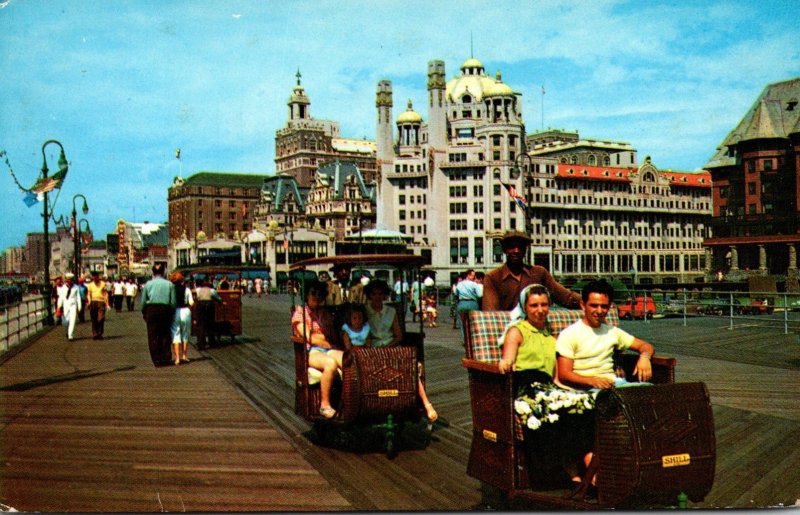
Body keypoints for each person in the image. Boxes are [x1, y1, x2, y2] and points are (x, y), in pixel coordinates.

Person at [555, 279, 656, 495]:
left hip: (613, 385)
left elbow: (644, 345)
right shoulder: (570, 334)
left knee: (652, 395)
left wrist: (645, 357)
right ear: (583, 305)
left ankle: (648, 464)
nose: (599, 311)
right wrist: (592, 380)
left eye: (604, 306)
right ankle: (603, 473)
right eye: (594, 305)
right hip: (584, 387)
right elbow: (564, 373)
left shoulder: (612, 332)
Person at [499, 284, 593, 488]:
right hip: (525, 385)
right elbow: (507, 359)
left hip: (547, 386)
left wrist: (564, 391)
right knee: (552, 411)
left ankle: (587, 473)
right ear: (525, 307)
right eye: (534, 305)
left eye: (544, 304)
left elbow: (556, 376)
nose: (540, 310)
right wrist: (506, 363)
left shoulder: (551, 336)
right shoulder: (517, 331)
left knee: (580, 408)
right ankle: (570, 475)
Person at [364, 280, 437, 423]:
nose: (377, 297)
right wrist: (373, 350)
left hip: (391, 345)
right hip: (372, 348)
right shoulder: (365, 311)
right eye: (374, 294)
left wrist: (388, 347)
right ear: (369, 296)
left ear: (384, 295)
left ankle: (426, 404)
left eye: (380, 294)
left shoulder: (391, 311)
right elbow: (363, 334)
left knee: (410, 369)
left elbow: (398, 336)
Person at [482, 230, 580, 311]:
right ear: (504, 250)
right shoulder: (493, 278)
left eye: (520, 247)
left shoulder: (539, 273)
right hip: (508, 329)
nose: (516, 251)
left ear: (525, 250)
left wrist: (588, 302)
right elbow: (490, 313)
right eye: (511, 247)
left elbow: (566, 297)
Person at [291, 280, 342, 419]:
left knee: (349, 359)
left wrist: (321, 338)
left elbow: (332, 335)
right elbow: (309, 337)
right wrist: (322, 339)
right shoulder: (300, 312)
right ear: (306, 295)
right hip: (311, 350)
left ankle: (351, 400)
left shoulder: (325, 314)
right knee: (330, 363)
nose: (316, 296)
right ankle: (324, 405)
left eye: (320, 294)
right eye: (313, 293)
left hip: (329, 347)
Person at [140, 264, 177, 367]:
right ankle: (165, 357)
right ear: (164, 271)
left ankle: (156, 359)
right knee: (165, 334)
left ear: (153, 272)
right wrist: (171, 312)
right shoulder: (169, 284)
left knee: (153, 335)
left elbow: (143, 301)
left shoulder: (148, 284)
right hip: (165, 309)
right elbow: (173, 302)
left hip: (152, 309)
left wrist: (144, 312)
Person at [170, 272, 194, 365]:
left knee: (175, 333)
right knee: (185, 333)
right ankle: (184, 355)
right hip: (185, 311)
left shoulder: (171, 289)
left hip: (175, 311)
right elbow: (191, 302)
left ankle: (177, 358)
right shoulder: (187, 289)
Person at [194, 278, 223, 350]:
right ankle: (212, 342)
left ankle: (201, 343)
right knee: (210, 324)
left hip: (201, 306)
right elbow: (218, 298)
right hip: (209, 306)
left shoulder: (198, 290)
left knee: (201, 324)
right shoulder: (212, 290)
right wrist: (220, 301)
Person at [455, 269, 482, 334]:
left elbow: (456, 294)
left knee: (462, 323)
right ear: (468, 275)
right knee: (474, 322)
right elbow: (480, 295)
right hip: (473, 303)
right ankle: (473, 338)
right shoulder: (474, 284)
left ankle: (465, 340)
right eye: (473, 275)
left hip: (462, 303)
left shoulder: (459, 284)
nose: (474, 277)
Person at [58, 273, 82, 341]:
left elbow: (78, 297)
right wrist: (59, 306)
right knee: (65, 322)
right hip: (65, 305)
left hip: (73, 305)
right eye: (67, 280)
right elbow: (61, 298)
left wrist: (79, 306)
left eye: (70, 280)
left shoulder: (76, 287)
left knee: (73, 320)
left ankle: (70, 335)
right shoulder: (63, 288)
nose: (68, 282)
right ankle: (67, 332)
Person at [87, 271, 110, 340]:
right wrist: (89, 302)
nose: (95, 278)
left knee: (101, 318)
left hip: (101, 302)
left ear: (98, 277)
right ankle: (95, 334)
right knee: (94, 319)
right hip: (93, 302)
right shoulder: (90, 285)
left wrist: (107, 303)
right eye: (93, 277)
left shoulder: (103, 284)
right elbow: (88, 294)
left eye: (96, 277)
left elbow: (105, 294)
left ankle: (100, 333)